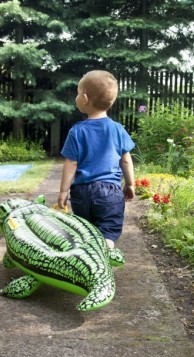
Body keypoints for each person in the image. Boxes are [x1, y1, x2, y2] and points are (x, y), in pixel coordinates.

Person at [57, 70, 135, 255]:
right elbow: (125, 160)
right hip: (110, 192)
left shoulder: (77, 131)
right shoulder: (117, 129)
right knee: (108, 230)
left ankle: (86, 258)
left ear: (84, 98)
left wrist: (63, 191)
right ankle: (105, 254)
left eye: (77, 93)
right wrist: (130, 184)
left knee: (86, 230)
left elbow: (71, 164)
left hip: (82, 192)